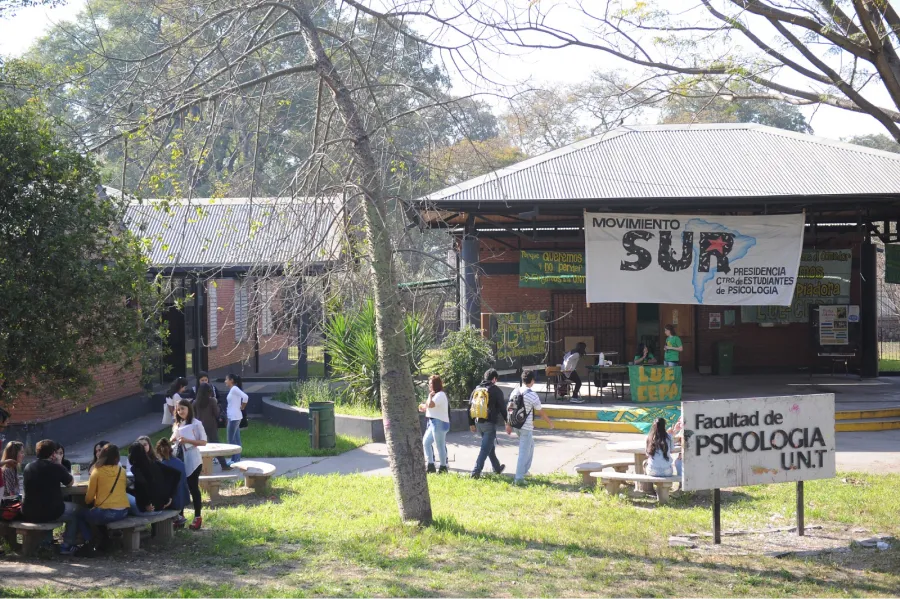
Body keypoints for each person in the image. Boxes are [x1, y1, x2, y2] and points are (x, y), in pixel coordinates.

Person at [68, 444, 130, 554]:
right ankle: (105, 540)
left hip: (106, 512)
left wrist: (87, 503)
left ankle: (89, 540)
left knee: (80, 514)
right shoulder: (122, 471)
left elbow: (89, 496)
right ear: (117, 457)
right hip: (123, 511)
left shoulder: (97, 471)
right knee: (97, 514)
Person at [21, 440, 78, 554]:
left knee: (48, 508)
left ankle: (46, 543)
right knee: (76, 512)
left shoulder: (28, 467)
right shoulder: (56, 467)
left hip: (29, 511)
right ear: (53, 454)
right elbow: (70, 483)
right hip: (51, 512)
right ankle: (66, 545)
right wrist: (58, 464)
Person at [511, 370, 554, 485]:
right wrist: (549, 423)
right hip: (526, 427)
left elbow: (510, 409)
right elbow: (541, 412)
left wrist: (508, 424)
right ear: (532, 381)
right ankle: (519, 478)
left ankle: (524, 471)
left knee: (531, 445)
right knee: (524, 452)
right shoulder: (532, 395)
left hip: (516, 425)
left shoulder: (515, 391)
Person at [171, 398, 208, 530]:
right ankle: (180, 517)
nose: (180, 411)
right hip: (179, 459)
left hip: (193, 459)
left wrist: (188, 440)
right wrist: (174, 439)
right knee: (180, 488)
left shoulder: (196, 423)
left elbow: (203, 442)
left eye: (183, 409)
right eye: (178, 409)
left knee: (193, 487)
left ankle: (197, 517)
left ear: (189, 409)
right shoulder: (177, 424)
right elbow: (172, 439)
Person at [468, 368, 511, 479]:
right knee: (484, 448)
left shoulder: (477, 389)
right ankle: (475, 472)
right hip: (489, 424)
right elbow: (502, 408)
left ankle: (497, 468)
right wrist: (508, 422)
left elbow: (469, 406)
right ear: (494, 379)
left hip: (478, 423)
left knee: (489, 446)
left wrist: (471, 423)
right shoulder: (495, 390)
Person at [127, 442, 180, 516]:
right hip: (161, 503)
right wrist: (170, 495)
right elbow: (177, 473)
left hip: (149, 507)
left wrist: (146, 504)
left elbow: (142, 486)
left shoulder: (137, 468)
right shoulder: (155, 463)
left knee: (126, 495)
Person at [193, 382, 229, 470]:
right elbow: (216, 413)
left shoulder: (195, 402)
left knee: (200, 446)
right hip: (211, 425)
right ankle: (223, 464)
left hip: (199, 426)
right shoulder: (212, 400)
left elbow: (194, 415)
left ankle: (199, 466)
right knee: (216, 444)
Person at [418, 375, 450, 474]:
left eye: (431, 383)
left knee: (439, 445)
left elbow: (431, 404)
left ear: (436, 384)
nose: (429, 385)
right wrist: (424, 407)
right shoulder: (435, 395)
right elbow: (430, 406)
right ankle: (431, 465)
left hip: (439, 422)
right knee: (426, 442)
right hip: (433, 422)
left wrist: (429, 397)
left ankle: (443, 467)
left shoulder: (440, 395)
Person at [155, 439, 190, 528]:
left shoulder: (163, 465)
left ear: (158, 452)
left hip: (173, 502)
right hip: (183, 498)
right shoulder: (180, 462)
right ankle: (180, 518)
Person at [224, 373, 248, 466]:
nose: (225, 381)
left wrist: (242, 407)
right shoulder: (233, 390)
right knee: (237, 439)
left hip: (234, 418)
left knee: (231, 440)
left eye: (226, 379)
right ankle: (236, 459)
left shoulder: (234, 388)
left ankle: (234, 460)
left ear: (231, 380)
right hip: (234, 417)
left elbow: (246, 397)